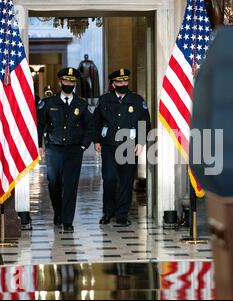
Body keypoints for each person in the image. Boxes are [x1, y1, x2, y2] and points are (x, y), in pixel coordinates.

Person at [37, 67, 94, 233]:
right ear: (60, 82)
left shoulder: (81, 104)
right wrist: (40, 145)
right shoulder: (48, 103)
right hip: (54, 149)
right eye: (66, 81)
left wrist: (83, 145)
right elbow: (40, 124)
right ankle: (58, 212)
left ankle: (68, 220)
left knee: (71, 185)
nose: (69, 84)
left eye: (72, 81)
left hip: (74, 150)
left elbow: (89, 127)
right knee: (54, 183)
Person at [94, 68, 151, 226]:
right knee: (109, 179)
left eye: (125, 81)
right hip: (109, 145)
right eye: (119, 82)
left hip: (128, 145)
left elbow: (144, 122)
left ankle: (122, 215)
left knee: (126, 181)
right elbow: (96, 121)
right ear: (113, 83)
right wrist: (96, 140)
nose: (122, 84)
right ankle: (108, 212)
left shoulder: (137, 100)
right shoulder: (105, 100)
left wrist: (140, 142)